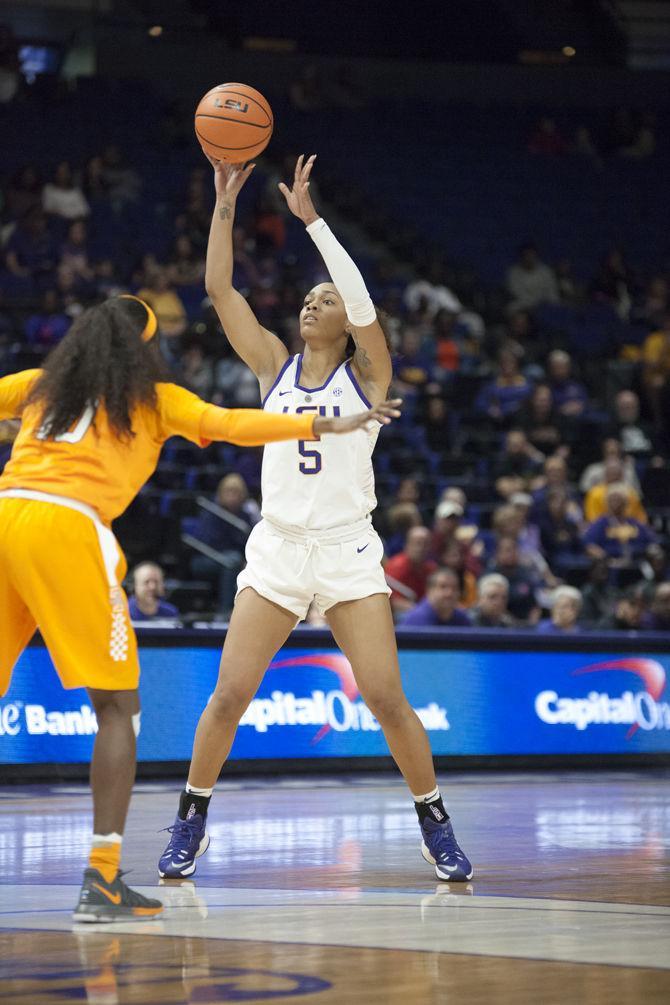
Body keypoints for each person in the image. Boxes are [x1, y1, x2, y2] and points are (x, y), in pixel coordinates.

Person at [0, 294, 389, 922]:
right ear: (145, 346)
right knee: (118, 710)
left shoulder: (43, 384)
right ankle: (101, 881)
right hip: (65, 526)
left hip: (4, 514)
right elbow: (236, 424)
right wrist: (319, 424)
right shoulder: (154, 397)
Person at [158, 154, 473, 885]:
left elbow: (364, 307)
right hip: (277, 550)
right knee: (230, 694)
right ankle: (190, 818)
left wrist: (315, 225)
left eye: (322, 298)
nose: (311, 302)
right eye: (307, 295)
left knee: (386, 696)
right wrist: (224, 201)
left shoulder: (368, 374)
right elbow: (217, 288)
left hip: (345, 551)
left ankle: (435, 823)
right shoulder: (272, 365)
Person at [385, 525, 438, 618]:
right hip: (402, 615)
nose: (421, 548)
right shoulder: (396, 566)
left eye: (425, 544)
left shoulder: (432, 569)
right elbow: (392, 601)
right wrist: (419, 610)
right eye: (418, 543)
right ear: (407, 545)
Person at [398, 569, 470, 627]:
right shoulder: (416, 621)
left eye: (454, 588)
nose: (449, 593)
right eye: (443, 587)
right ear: (429, 590)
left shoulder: (462, 619)